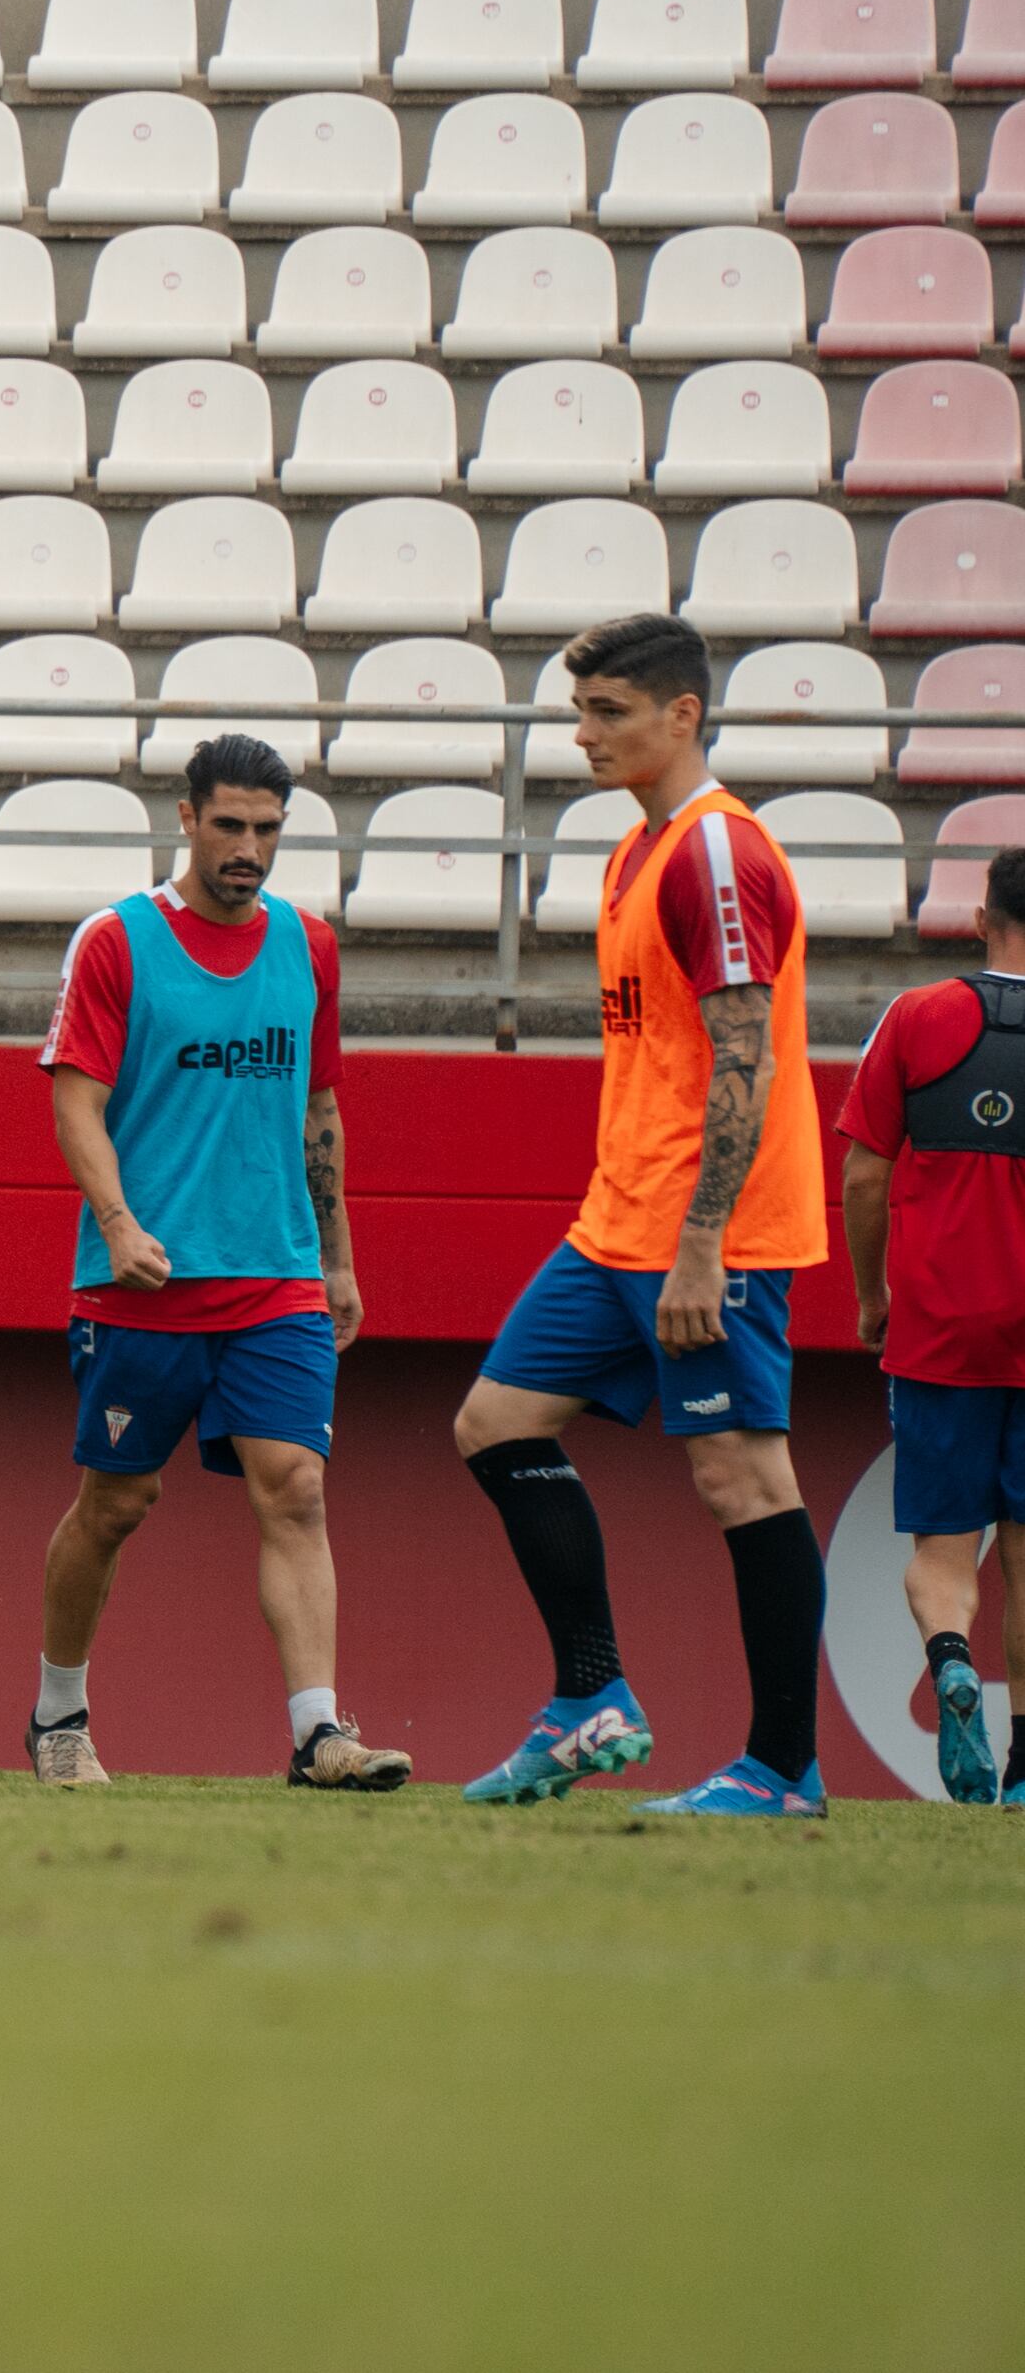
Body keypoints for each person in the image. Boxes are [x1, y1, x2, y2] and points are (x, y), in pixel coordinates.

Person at [452, 612, 835, 1818]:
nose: (582, 736)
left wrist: (704, 1242)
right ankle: (589, 1701)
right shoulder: (636, 850)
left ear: (683, 716)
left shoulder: (716, 857)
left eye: (608, 712)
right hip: (614, 1222)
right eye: (578, 713)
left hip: (701, 1235)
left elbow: (744, 1060)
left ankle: (780, 1769)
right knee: (494, 1424)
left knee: (740, 1480)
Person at [24, 737, 408, 1791]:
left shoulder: (309, 946)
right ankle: (57, 1714)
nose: (248, 849)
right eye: (229, 826)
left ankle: (318, 1733)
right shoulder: (115, 941)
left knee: (293, 1489)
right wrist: (114, 1221)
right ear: (184, 818)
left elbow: (316, 1106)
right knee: (113, 1504)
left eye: (267, 830)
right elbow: (73, 1098)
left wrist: (335, 1260)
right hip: (138, 1282)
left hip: (274, 1279)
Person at [834, 841, 1025, 1807]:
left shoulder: (916, 1017)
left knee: (942, 1555)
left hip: (941, 1326)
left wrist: (873, 1295)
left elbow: (863, 1173)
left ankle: (950, 1657)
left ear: (979, 914)